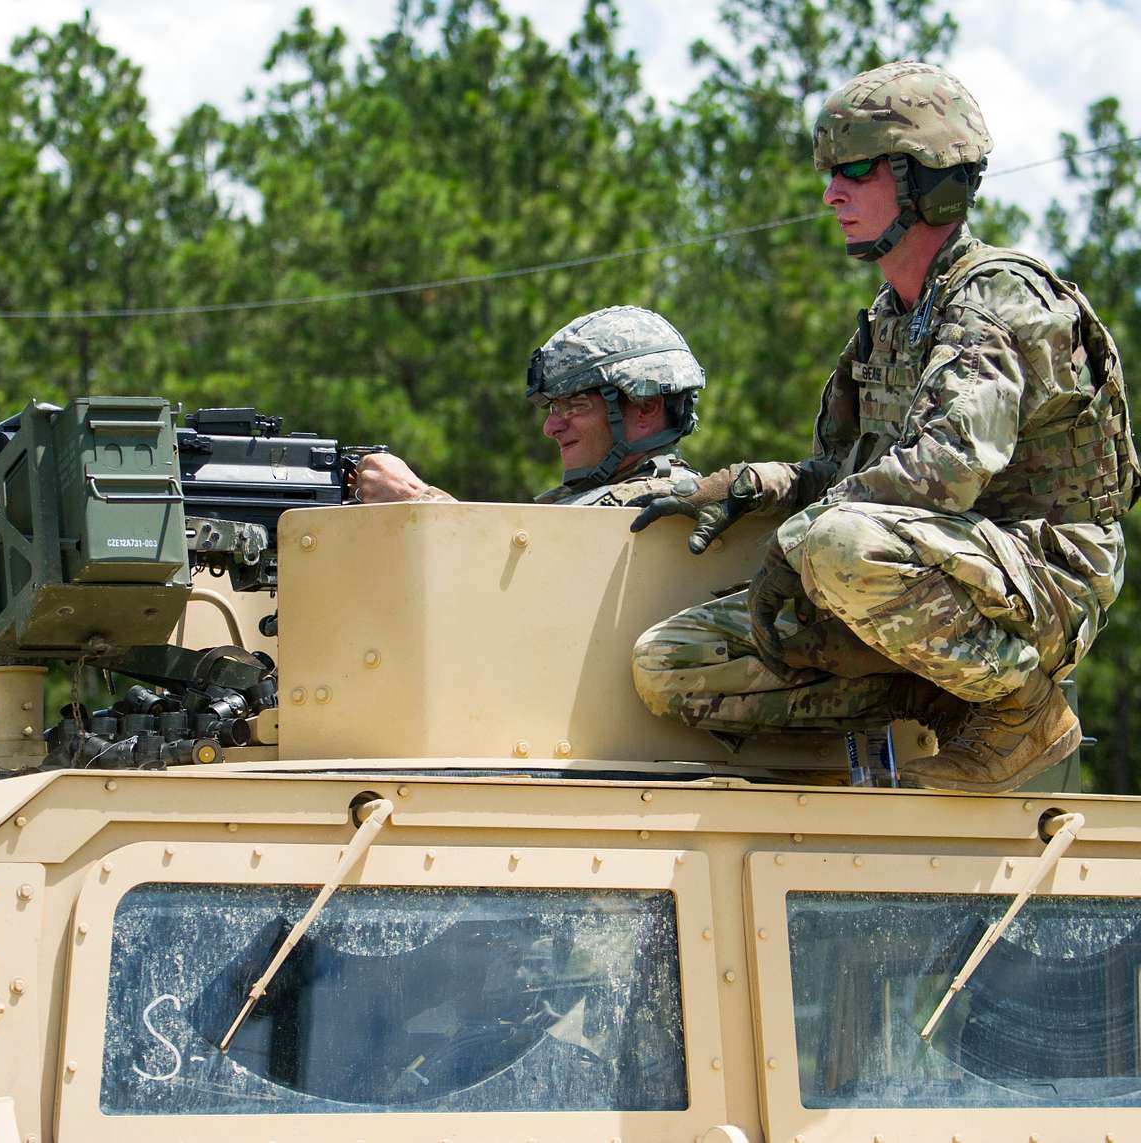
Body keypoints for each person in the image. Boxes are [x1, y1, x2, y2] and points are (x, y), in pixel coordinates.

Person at [627, 61, 1138, 792]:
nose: (832, 193)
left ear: (931, 179)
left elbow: (947, 469)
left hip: (1043, 576)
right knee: (668, 661)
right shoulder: (892, 321)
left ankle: (1022, 709)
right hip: (928, 572)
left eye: (858, 169)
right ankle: (939, 694)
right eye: (831, 171)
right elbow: (843, 474)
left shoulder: (998, 300)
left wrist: (797, 538)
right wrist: (747, 484)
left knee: (836, 544)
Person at [354, 306, 706, 506]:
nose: (551, 428)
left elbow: (520, 586)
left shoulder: (659, 503)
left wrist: (414, 499)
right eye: (554, 408)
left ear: (645, 407)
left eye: (575, 405)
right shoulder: (592, 499)